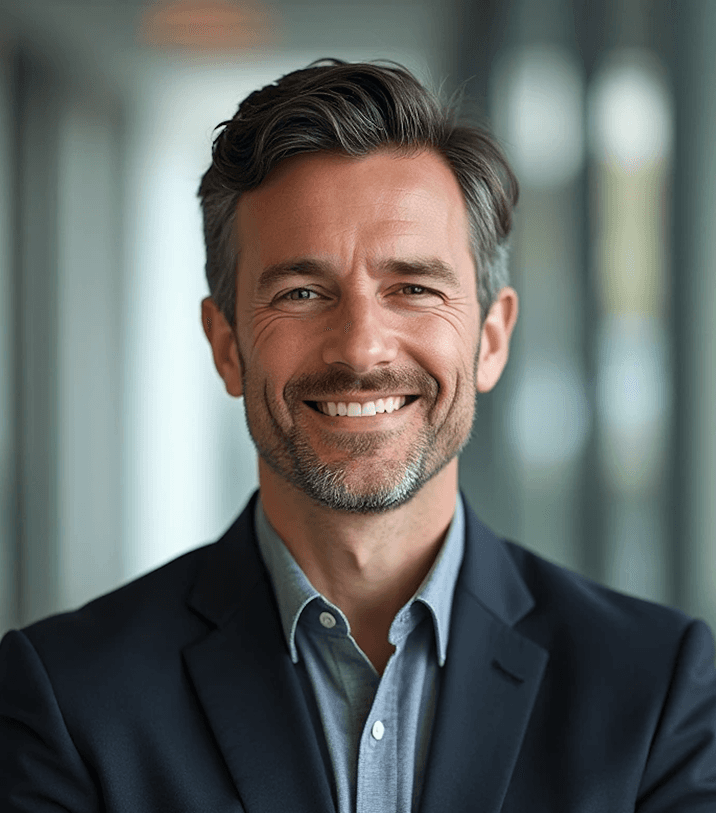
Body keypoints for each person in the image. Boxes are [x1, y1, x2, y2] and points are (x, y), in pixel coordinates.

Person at [1, 57, 715, 813]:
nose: (361, 348)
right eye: (302, 292)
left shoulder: (657, 692)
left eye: (413, 288)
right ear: (227, 344)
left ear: (493, 337)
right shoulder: (67, 700)